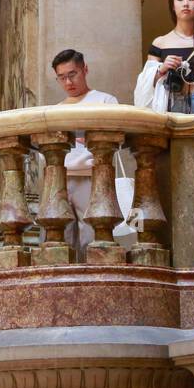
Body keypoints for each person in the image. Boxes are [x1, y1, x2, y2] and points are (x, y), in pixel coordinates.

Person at [52, 49, 124, 260]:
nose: (68, 82)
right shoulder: (57, 109)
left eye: (72, 74)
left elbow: (117, 136)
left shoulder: (104, 100)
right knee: (62, 238)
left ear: (85, 70)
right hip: (62, 178)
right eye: (62, 77)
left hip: (93, 176)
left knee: (91, 235)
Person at [135, 0, 194, 114]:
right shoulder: (160, 43)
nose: (186, 4)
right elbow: (145, 85)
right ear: (173, 6)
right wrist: (161, 69)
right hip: (173, 102)